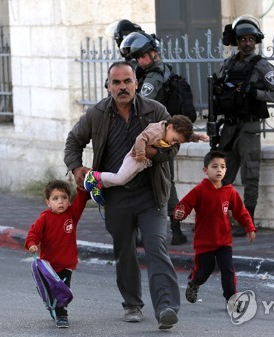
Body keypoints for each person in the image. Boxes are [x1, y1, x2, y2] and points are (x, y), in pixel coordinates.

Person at [64, 61, 180, 330]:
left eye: (127, 81)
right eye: (116, 82)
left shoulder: (155, 110)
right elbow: (73, 141)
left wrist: (152, 153)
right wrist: (76, 167)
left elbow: (173, 145)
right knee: (124, 250)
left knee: (156, 246)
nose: (122, 87)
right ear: (108, 86)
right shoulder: (96, 114)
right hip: (115, 196)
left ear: (136, 83)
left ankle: (166, 307)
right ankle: (132, 304)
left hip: (151, 195)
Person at [120, 31, 195, 245]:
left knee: (163, 182)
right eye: (137, 58)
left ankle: (175, 229)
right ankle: (166, 230)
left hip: (161, 140)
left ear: (153, 53)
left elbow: (140, 102)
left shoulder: (154, 76)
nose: (140, 61)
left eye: (142, 56)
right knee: (157, 182)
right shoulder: (150, 72)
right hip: (156, 136)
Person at [214, 15, 274, 237]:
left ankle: (247, 220)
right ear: (237, 41)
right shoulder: (228, 65)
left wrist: (254, 93)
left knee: (250, 175)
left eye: (251, 39)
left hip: (249, 128)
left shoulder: (263, 66)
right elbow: (218, 90)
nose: (247, 43)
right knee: (222, 177)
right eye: (243, 39)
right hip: (229, 128)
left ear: (256, 41)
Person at [172, 150, 256, 304]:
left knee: (228, 271)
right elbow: (184, 205)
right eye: (215, 166)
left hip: (224, 241)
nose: (219, 170)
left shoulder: (229, 191)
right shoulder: (200, 190)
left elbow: (240, 211)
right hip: (204, 241)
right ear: (206, 170)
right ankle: (194, 282)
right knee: (205, 270)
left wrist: (249, 227)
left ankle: (232, 300)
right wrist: (180, 213)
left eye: (222, 167)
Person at [83, 114, 208, 204]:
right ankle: (94, 176)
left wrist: (198, 137)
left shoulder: (172, 131)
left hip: (143, 160)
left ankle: (99, 185)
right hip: (136, 157)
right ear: (169, 127)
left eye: (176, 142)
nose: (173, 143)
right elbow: (141, 138)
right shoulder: (156, 131)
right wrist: (141, 154)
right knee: (120, 178)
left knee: (126, 179)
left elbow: (186, 136)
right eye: (174, 139)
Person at [24, 180, 89, 328]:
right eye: (55, 198)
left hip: (67, 263)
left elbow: (81, 199)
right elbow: (33, 233)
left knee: (62, 291)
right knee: (52, 291)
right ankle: (53, 306)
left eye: (64, 197)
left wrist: (82, 184)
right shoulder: (44, 218)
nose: (61, 201)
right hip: (49, 265)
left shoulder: (72, 214)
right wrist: (32, 244)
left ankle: (62, 315)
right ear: (48, 202)